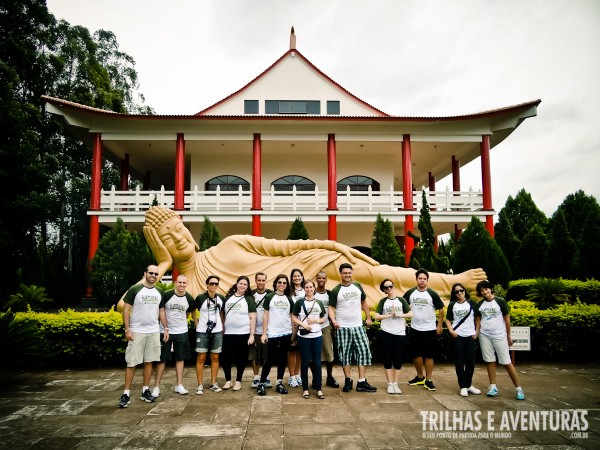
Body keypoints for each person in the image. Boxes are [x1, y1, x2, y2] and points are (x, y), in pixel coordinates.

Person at [140, 206, 487, 307]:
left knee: (379, 275)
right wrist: (164, 265)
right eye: (168, 236)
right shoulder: (187, 286)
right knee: (373, 296)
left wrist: (334, 246)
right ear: (159, 245)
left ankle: (451, 282)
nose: (180, 237)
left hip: (310, 265)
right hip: (296, 296)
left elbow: (286, 247)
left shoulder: (229, 243)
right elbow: (133, 302)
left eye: (180, 227)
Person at [118, 265, 168, 408]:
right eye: (150, 273)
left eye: (156, 274)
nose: (153, 275)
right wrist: (127, 329)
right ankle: (126, 393)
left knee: (149, 361)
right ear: (145, 273)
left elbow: (162, 312)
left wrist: (166, 328)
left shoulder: (159, 291)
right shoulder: (135, 289)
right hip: (137, 331)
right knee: (132, 363)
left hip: (153, 331)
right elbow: (126, 310)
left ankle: (145, 390)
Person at [328, 263, 377, 393]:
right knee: (345, 354)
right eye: (345, 273)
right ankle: (348, 380)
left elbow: (363, 302)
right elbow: (331, 308)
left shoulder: (357, 287)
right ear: (340, 274)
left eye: (349, 273)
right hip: (343, 327)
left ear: (352, 273)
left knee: (363, 352)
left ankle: (362, 382)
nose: (347, 275)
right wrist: (334, 321)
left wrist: (368, 317)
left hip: (358, 326)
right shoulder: (336, 290)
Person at [476, 280, 525, 400]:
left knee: (507, 362)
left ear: (490, 289)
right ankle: (493, 387)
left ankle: (519, 389)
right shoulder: (480, 304)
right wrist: (477, 332)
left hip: (499, 335)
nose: (484, 292)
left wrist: (508, 336)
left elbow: (507, 320)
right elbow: (478, 319)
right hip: (484, 335)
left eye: (486, 289)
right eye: (482, 290)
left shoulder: (500, 302)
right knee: (489, 361)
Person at [151, 274, 195, 398]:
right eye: (179, 282)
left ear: (187, 284)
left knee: (180, 358)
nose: (181, 285)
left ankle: (179, 384)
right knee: (161, 359)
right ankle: (156, 386)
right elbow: (161, 311)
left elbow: (187, 314)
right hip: (165, 331)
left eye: (184, 283)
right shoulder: (167, 295)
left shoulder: (189, 299)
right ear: (175, 283)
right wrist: (165, 327)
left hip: (181, 331)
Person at [404, 268, 445, 391]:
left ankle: (429, 379)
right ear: (416, 279)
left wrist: (439, 325)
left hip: (429, 329)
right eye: (420, 278)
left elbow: (441, 309)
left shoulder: (432, 294)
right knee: (415, 354)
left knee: (429, 355)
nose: (422, 281)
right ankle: (420, 376)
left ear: (427, 280)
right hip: (415, 328)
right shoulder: (410, 293)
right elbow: (402, 306)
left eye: (424, 279)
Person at [257, 274, 294, 396]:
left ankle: (279, 382)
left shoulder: (289, 299)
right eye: (279, 282)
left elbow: (291, 316)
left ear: (286, 285)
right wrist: (264, 333)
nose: (282, 285)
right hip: (272, 332)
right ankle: (261, 383)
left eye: (284, 283)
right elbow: (265, 316)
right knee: (270, 358)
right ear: (275, 284)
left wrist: (293, 335)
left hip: (286, 332)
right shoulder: (269, 297)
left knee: (283, 358)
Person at [374, 279, 412, 394]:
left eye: (390, 286)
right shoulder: (383, 301)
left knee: (398, 358)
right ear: (384, 290)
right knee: (387, 358)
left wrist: (400, 315)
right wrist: (390, 315)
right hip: (386, 332)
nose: (389, 289)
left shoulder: (401, 300)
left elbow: (411, 314)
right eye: (386, 287)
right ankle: (390, 383)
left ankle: (396, 383)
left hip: (400, 332)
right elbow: (376, 316)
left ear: (393, 286)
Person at [292, 279, 327, 399]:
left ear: (314, 288)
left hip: (317, 335)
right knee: (305, 362)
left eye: (311, 287)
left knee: (317, 362)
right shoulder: (299, 302)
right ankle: (305, 388)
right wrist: (303, 325)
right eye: (306, 287)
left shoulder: (319, 303)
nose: (309, 289)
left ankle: (318, 388)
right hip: (304, 336)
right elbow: (294, 317)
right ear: (304, 289)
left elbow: (323, 318)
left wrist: (316, 321)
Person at [445, 282, 482, 397]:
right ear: (454, 294)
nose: (460, 293)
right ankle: (463, 386)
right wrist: (451, 331)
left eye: (461, 290)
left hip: (470, 336)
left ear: (465, 291)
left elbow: (477, 318)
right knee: (459, 362)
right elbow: (448, 320)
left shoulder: (472, 303)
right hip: (458, 336)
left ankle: (468, 384)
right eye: (457, 291)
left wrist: (476, 332)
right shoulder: (452, 305)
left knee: (471, 362)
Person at [221, 275, 256, 391]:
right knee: (226, 357)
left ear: (247, 287)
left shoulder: (248, 299)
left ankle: (238, 381)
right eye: (241, 283)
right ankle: (228, 381)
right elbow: (223, 314)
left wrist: (251, 335)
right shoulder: (228, 298)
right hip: (228, 333)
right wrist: (222, 329)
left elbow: (253, 317)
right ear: (236, 284)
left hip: (243, 333)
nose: (242, 286)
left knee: (241, 358)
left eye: (245, 284)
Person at [194, 275, 225, 394]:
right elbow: (193, 309)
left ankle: (213, 382)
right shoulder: (201, 298)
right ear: (206, 284)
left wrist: (220, 324)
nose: (213, 286)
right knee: (201, 357)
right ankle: (200, 384)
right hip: (202, 331)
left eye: (216, 284)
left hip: (216, 331)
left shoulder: (221, 298)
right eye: (211, 283)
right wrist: (196, 323)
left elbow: (222, 312)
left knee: (215, 357)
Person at [314, 271, 339, 388]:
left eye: (323, 278)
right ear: (316, 279)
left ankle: (329, 376)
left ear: (326, 279)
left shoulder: (329, 294)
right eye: (319, 278)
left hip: (325, 327)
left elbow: (333, 310)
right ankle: (315, 378)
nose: (321, 280)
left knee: (329, 354)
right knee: (313, 355)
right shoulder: (311, 293)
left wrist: (333, 324)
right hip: (313, 328)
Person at [249, 272, 272, 389]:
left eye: (263, 280)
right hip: (254, 329)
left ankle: (266, 376)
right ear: (256, 281)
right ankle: (256, 376)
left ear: (265, 281)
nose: (261, 282)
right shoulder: (251, 294)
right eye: (259, 280)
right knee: (254, 355)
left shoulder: (270, 294)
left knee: (266, 355)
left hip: (267, 330)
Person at [287, 268, 305, 387]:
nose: (297, 278)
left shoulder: (306, 289)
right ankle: (291, 376)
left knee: (300, 351)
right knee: (292, 350)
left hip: (303, 324)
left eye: (299, 276)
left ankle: (297, 375)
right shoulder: (288, 291)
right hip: (291, 325)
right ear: (292, 278)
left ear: (302, 277)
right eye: (294, 276)